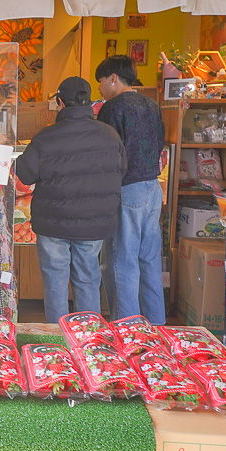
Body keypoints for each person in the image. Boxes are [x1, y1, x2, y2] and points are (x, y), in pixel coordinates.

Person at [15, 76, 126, 323]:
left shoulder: (46, 137)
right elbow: (122, 171)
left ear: (59, 102)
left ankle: (58, 338)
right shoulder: (110, 135)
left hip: (53, 223)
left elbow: (24, 173)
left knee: (55, 280)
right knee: (88, 277)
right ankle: (88, 341)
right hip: (94, 222)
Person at [96, 55, 167, 323]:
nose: (100, 88)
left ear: (113, 78)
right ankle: (156, 326)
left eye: (101, 81)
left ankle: (127, 330)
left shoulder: (112, 108)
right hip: (152, 188)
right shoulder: (151, 104)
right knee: (149, 260)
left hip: (127, 190)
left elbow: (108, 154)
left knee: (121, 261)